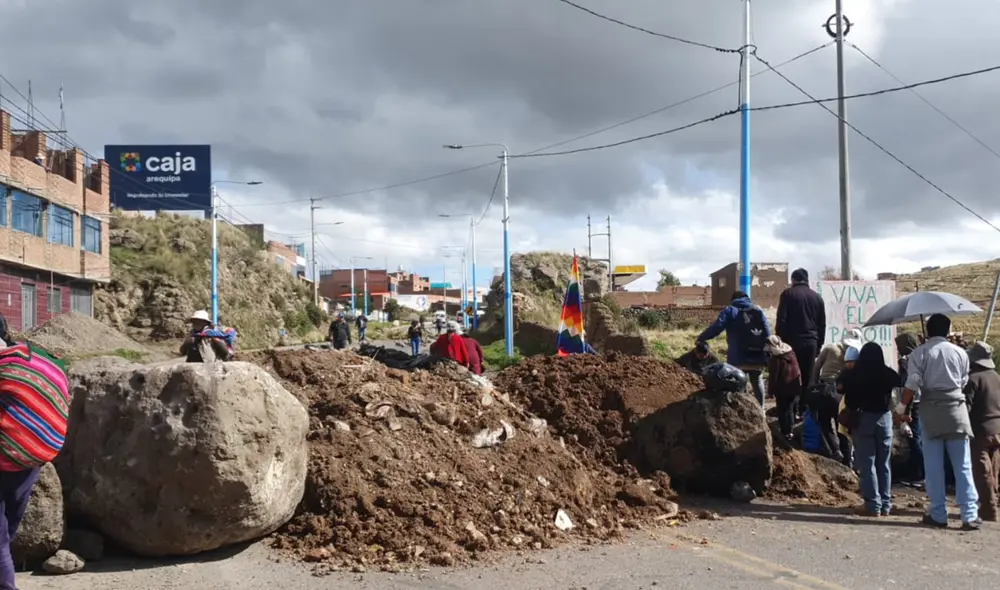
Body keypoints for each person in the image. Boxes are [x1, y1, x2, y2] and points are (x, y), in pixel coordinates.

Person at [897, 313, 980, 530]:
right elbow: (963, 381)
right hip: (957, 409)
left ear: (927, 331)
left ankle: (938, 513)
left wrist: (901, 408)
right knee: (963, 464)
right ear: (948, 330)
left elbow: (913, 383)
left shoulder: (919, 353)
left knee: (933, 465)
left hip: (931, 409)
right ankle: (969, 514)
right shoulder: (960, 353)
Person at [842, 342, 900, 517]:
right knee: (884, 463)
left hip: (864, 419)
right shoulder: (888, 373)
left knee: (867, 463)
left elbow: (846, 395)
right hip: (885, 418)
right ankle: (886, 503)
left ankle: (872, 504)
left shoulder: (855, 375)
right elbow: (899, 382)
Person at [697, 290, 771, 406]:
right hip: (757, 356)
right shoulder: (757, 310)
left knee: (739, 382)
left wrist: (702, 337)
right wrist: (766, 352)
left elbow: (717, 327)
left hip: (738, 356)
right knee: (757, 380)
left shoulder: (730, 310)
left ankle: (744, 409)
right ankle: (761, 410)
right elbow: (767, 332)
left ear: (733, 299)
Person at [776, 268, 826, 398]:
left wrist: (781, 343)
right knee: (808, 377)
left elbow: (781, 320)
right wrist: (819, 345)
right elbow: (822, 325)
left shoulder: (787, 294)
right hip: (811, 342)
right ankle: (806, 406)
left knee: (791, 375)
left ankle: (793, 406)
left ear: (793, 280)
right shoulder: (817, 297)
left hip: (792, 342)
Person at [964, 341, 1000, 521]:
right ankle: (994, 502)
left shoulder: (973, 379)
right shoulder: (996, 377)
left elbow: (966, 408)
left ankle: (988, 510)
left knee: (982, 472)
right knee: (994, 471)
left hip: (981, 432)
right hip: (998, 430)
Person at [896, 332, 925, 488]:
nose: (898, 349)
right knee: (917, 439)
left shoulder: (909, 362)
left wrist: (905, 412)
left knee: (914, 439)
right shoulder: (921, 357)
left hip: (914, 404)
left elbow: (909, 387)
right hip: (921, 402)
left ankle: (920, 475)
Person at [765, 335, 802, 442]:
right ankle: (791, 431)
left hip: (783, 389)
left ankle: (785, 432)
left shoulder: (776, 358)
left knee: (783, 410)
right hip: (795, 386)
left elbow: (773, 377)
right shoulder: (790, 352)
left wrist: (770, 392)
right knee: (791, 409)